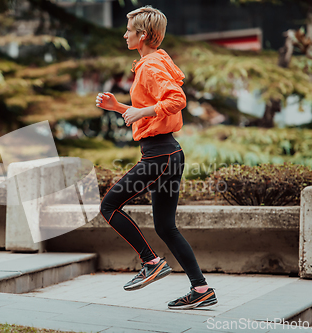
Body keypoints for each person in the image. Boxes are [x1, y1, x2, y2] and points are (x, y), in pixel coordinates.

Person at [95, 5, 217, 310]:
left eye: (129, 31)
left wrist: (137, 111)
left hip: (159, 156)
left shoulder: (150, 66)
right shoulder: (155, 61)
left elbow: (176, 100)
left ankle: (151, 261)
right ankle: (201, 289)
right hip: (168, 152)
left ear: (143, 35)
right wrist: (120, 108)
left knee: (109, 205)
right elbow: (152, 114)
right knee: (165, 226)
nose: (124, 35)